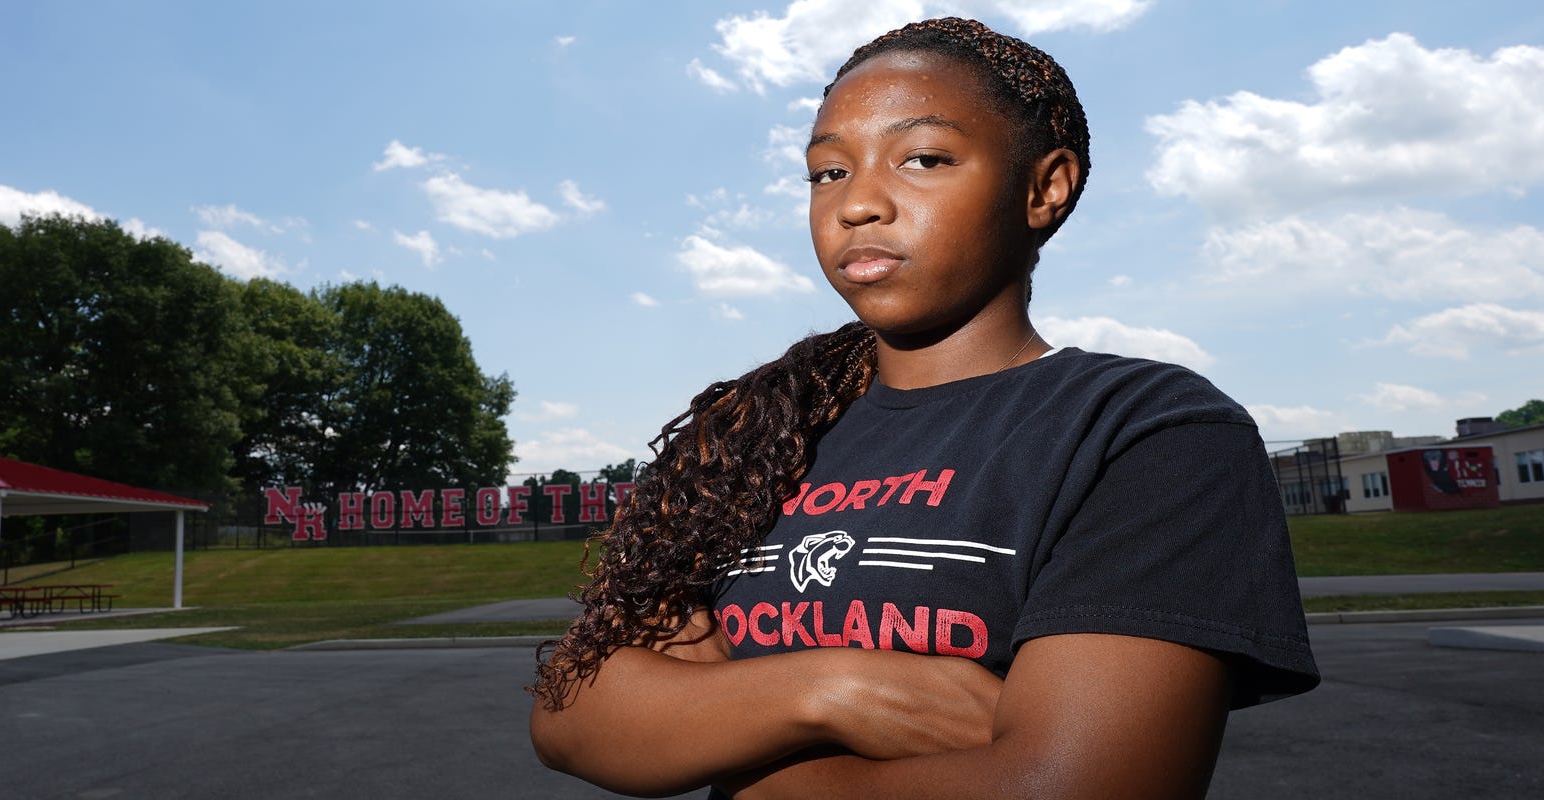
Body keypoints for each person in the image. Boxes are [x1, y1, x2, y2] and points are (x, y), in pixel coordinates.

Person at [530, 17, 1318, 799]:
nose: (858, 204)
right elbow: (571, 715)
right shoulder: (758, 435)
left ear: (1044, 187)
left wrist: (727, 741)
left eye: (924, 159)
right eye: (828, 172)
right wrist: (835, 691)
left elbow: (1073, 786)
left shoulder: (1147, 432)